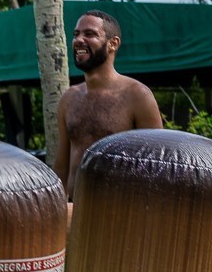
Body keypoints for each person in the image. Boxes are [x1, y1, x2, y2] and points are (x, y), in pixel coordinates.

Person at [54, 10, 162, 200]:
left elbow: (158, 166)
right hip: (76, 212)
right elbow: (61, 166)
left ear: (113, 43)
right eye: (76, 34)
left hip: (121, 215)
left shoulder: (137, 95)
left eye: (89, 34)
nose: (79, 40)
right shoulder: (69, 99)